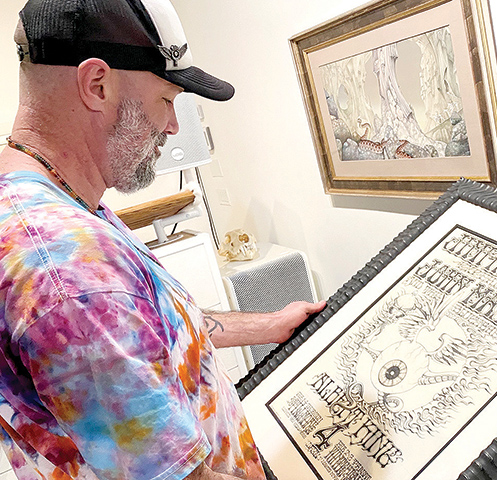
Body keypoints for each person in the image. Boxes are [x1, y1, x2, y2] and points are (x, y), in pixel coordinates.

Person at [0, 0, 326, 479]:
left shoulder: (53, 197)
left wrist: (269, 325)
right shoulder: (67, 269)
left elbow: (151, 326)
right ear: (97, 84)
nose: (172, 125)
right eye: (166, 100)